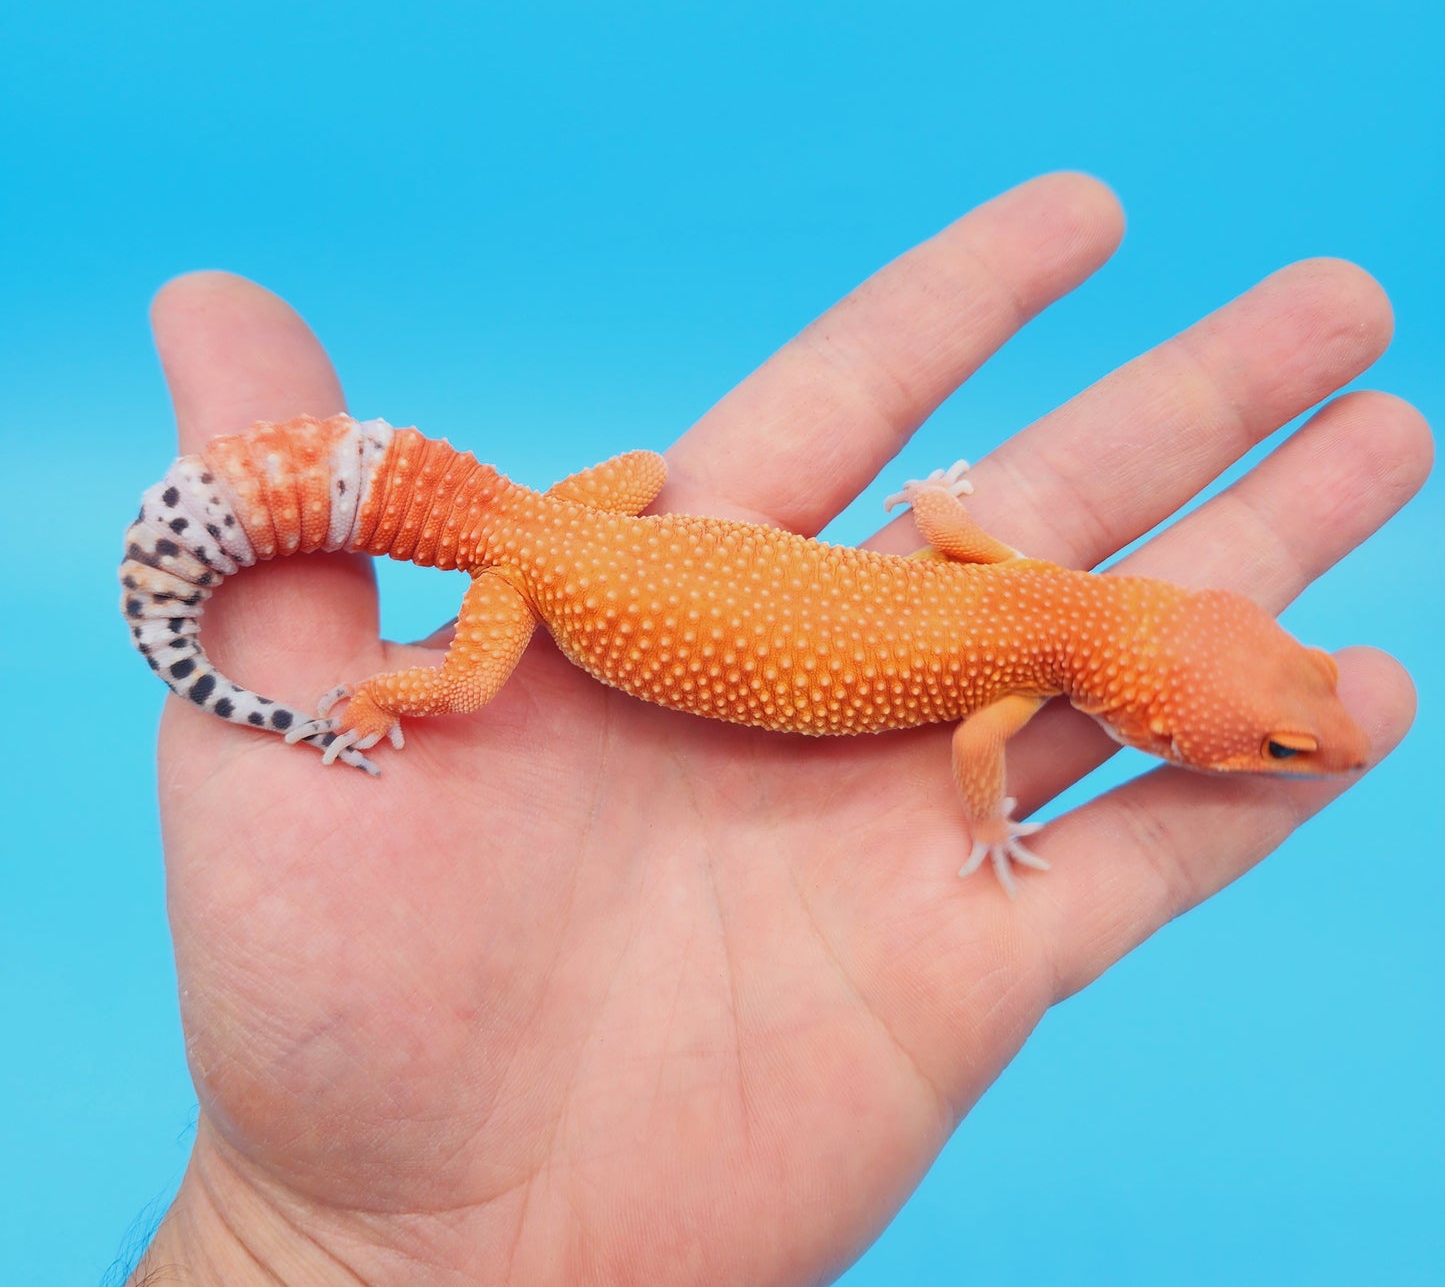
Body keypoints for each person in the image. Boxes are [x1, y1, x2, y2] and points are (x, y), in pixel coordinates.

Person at [127, 174, 1424, 1285]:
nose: (1302, 746)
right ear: (1152, 708)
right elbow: (981, 755)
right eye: (1273, 745)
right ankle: (373, 697)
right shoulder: (1029, 656)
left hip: (572, 519)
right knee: (464, 689)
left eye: (1281, 739)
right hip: (534, 578)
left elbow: (964, 539)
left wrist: (936, 498)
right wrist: (987, 826)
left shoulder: (1037, 596)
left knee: (643, 467)